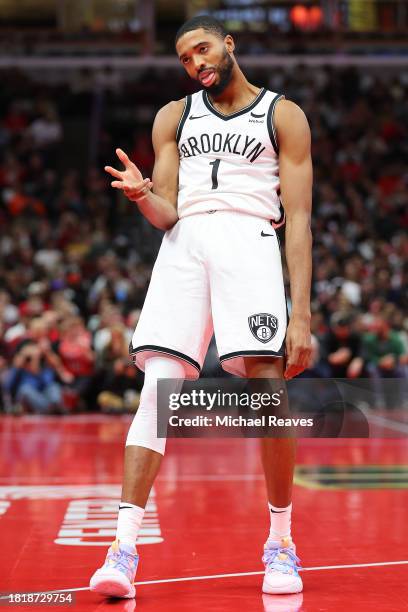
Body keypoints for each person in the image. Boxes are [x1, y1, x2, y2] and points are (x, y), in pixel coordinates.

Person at [90, 15, 312, 599]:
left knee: (268, 387)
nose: (197, 64)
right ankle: (123, 548)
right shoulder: (174, 115)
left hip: (251, 239)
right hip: (184, 245)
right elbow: (167, 211)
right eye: (186, 58)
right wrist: (143, 195)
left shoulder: (282, 114)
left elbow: (302, 220)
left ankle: (282, 545)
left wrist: (303, 313)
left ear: (229, 44)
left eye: (204, 49)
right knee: (158, 389)